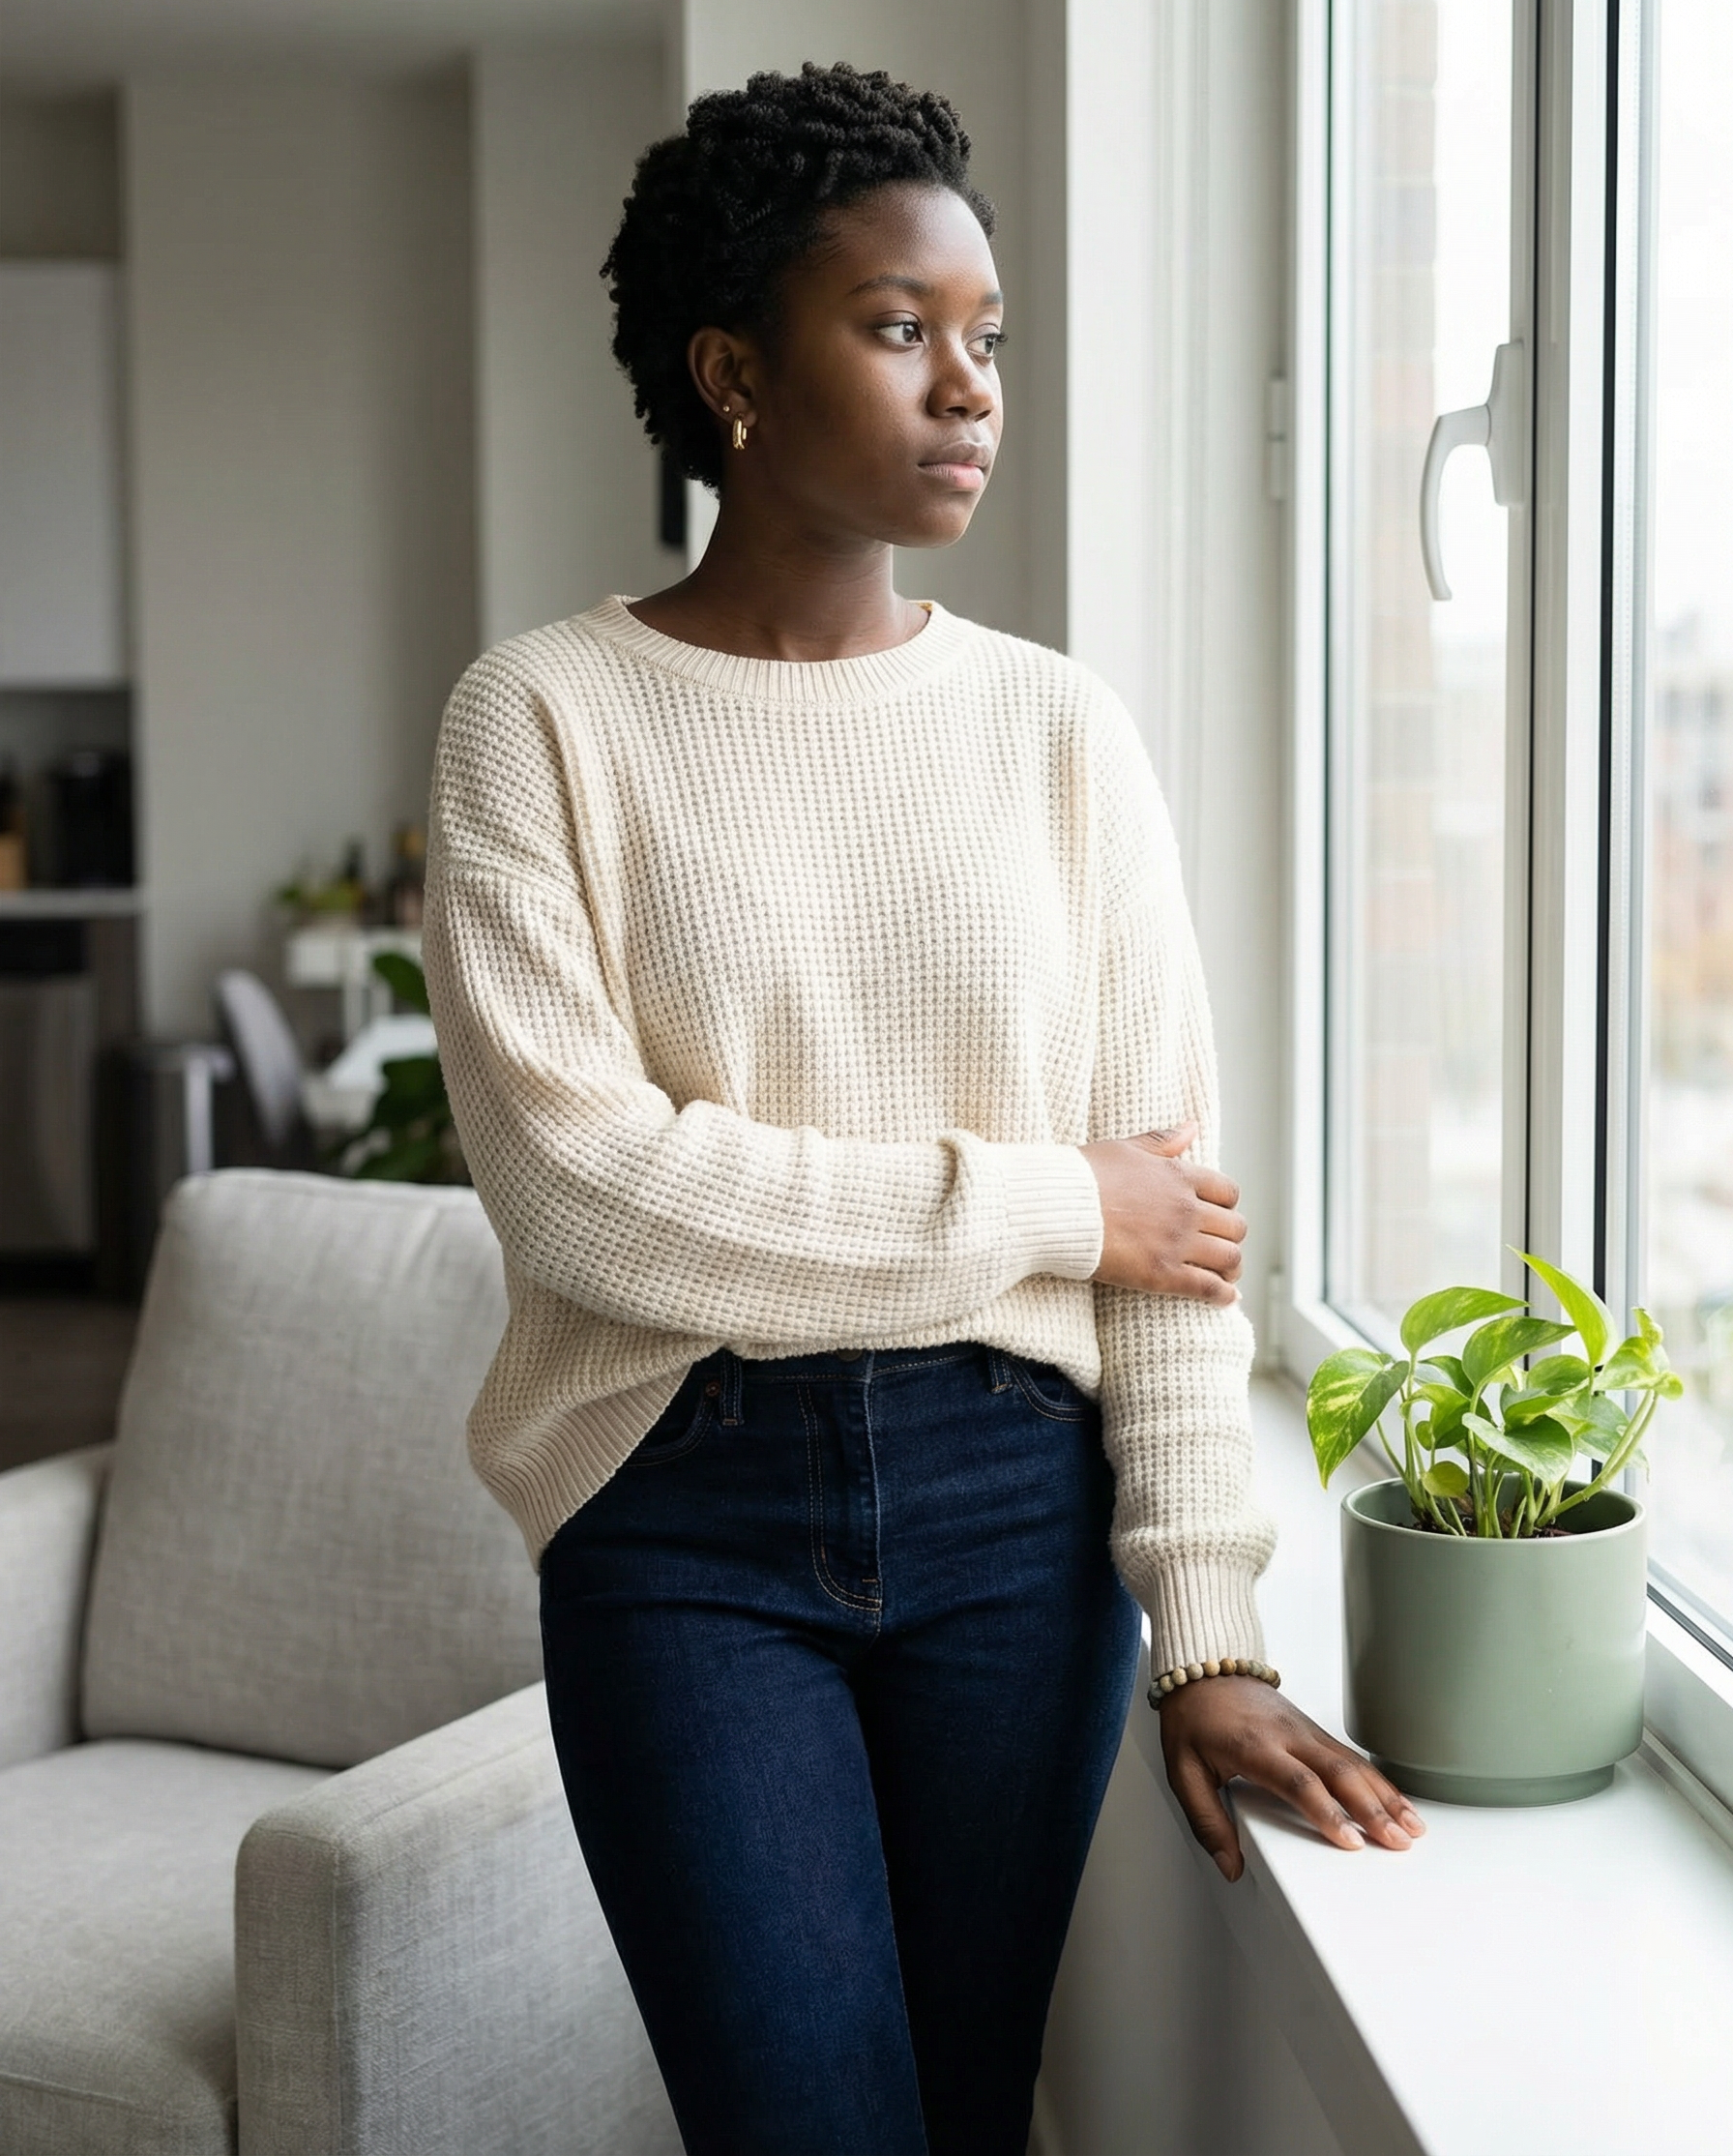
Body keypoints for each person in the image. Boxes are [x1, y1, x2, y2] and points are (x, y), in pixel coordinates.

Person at [423, 60, 1423, 2156]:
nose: (970, 388)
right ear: (730, 375)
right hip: (677, 1513)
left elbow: (1173, 1235)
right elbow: (591, 1200)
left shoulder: (1061, 733)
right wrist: (1051, 1202)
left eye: (987, 339)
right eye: (899, 330)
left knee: (965, 2116)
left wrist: (1208, 1632)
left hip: (1015, 1521)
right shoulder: (542, 718)